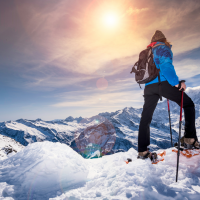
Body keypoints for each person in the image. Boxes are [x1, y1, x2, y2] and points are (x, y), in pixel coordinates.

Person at [137, 30, 199, 160]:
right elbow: (166, 66)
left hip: (148, 88)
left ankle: (143, 151)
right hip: (162, 84)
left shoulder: (148, 52)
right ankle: (189, 138)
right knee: (188, 104)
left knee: (146, 118)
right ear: (164, 40)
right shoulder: (162, 48)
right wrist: (176, 83)